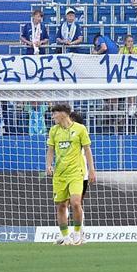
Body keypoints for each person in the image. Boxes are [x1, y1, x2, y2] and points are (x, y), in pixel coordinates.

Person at [46, 102, 95, 245]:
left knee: (75, 202)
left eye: (55, 113)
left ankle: (78, 232)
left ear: (64, 114)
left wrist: (91, 169)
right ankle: (65, 236)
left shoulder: (80, 129)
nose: (53, 116)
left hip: (77, 173)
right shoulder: (53, 131)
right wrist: (48, 165)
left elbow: (87, 149)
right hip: (60, 174)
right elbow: (50, 150)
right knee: (61, 205)